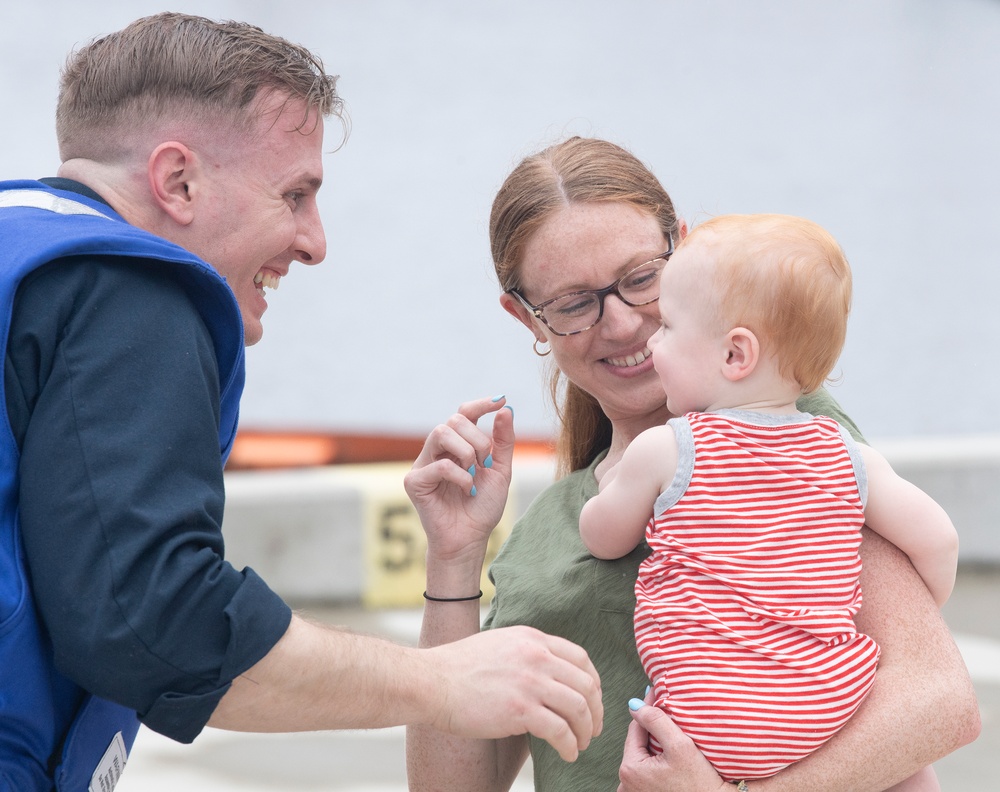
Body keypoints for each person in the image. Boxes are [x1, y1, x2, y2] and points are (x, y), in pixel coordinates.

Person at [0, 15, 602, 791]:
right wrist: (446, 681)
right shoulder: (131, 286)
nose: (315, 242)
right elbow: (154, 624)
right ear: (177, 181)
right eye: (295, 195)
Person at [404, 137, 981, 791]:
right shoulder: (539, 540)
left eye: (641, 278)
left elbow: (938, 703)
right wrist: (453, 556)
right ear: (527, 318)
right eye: (572, 304)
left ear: (683, 250)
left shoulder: (793, 436)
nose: (623, 324)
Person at [578, 213, 959, 783]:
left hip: (709, 719)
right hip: (830, 705)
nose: (652, 341)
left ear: (735, 355)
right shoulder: (848, 455)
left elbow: (602, 538)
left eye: (668, 327)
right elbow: (940, 539)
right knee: (909, 771)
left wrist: (612, 483)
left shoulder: (669, 449)